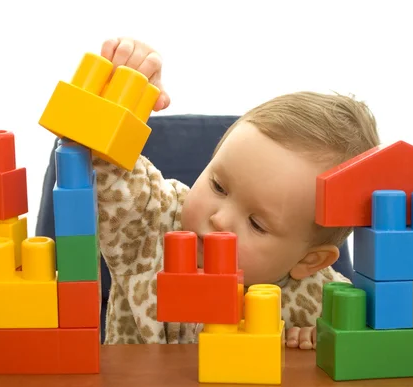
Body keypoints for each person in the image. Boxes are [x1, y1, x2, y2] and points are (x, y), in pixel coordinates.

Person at [91, 37, 380, 349]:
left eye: (257, 223)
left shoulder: (325, 306)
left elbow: (382, 345)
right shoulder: (151, 222)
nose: (220, 219)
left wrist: (327, 342)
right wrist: (126, 93)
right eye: (218, 186)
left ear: (310, 261)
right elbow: (104, 169)